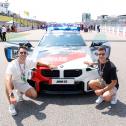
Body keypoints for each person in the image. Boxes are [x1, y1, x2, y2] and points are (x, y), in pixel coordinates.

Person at [5, 45, 55, 116]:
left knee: (34, 95)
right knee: (7, 85)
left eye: (25, 53)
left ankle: (19, 93)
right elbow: (8, 78)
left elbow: (37, 63)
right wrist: (11, 94)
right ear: (18, 53)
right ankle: (11, 106)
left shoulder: (28, 61)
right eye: (21, 52)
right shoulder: (12, 64)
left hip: (23, 82)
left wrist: (48, 65)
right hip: (13, 82)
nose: (23, 54)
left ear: (27, 54)